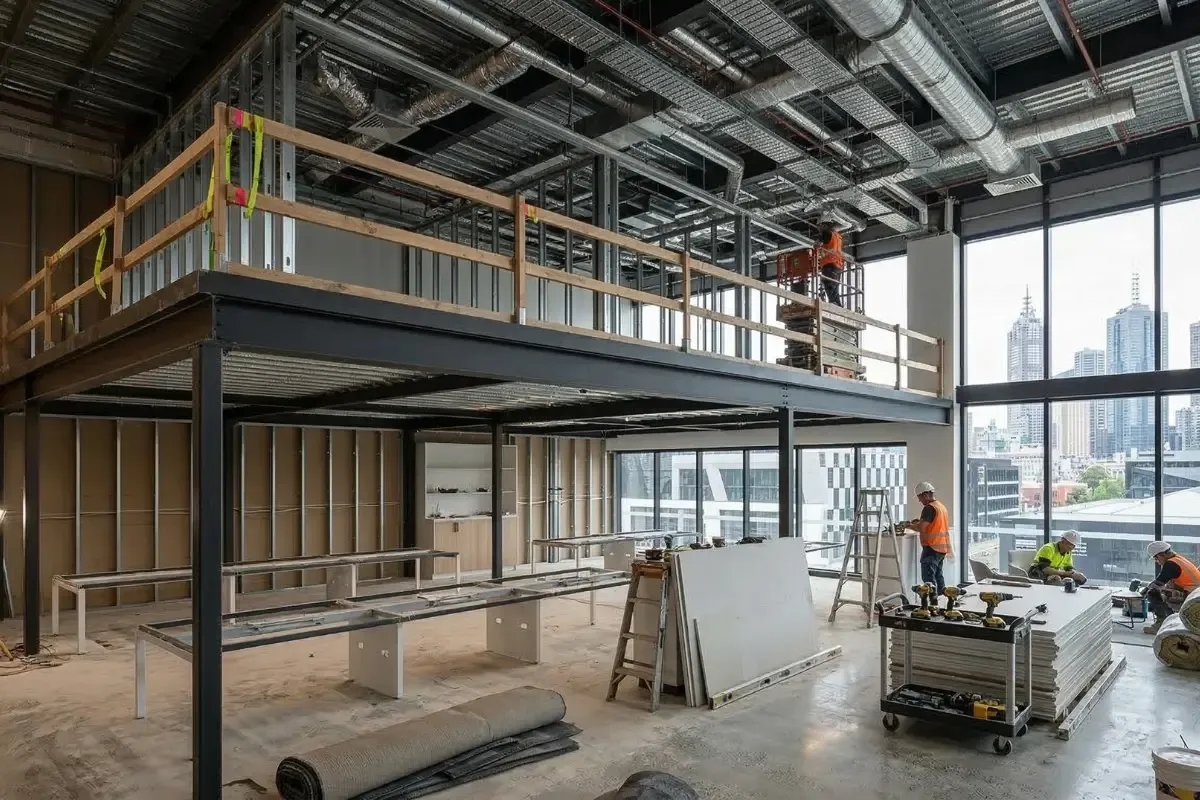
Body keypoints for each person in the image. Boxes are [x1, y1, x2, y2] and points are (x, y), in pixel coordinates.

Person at [902, 481, 951, 595]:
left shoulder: (929, 508)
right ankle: (942, 601)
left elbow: (922, 528)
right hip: (941, 548)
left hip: (932, 547)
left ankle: (933, 604)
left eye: (920, 497)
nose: (920, 501)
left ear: (925, 495)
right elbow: (933, 524)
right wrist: (918, 522)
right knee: (938, 576)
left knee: (928, 579)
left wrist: (908, 525)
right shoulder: (940, 506)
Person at [1141, 541, 1200, 634]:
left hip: (1192, 596)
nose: (1157, 562)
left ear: (1161, 555)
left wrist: (1143, 592)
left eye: (1156, 558)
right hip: (1195, 592)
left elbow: (1158, 583)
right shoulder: (1178, 559)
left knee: (1152, 593)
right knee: (1164, 590)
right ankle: (1170, 618)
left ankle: (1162, 623)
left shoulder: (1170, 564)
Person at [797, 223, 844, 307]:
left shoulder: (826, 233)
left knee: (828, 283)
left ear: (825, 226)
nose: (819, 228)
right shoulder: (837, 236)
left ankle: (834, 304)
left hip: (829, 264)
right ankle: (837, 304)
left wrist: (816, 247)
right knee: (834, 286)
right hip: (838, 265)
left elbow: (817, 245)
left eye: (820, 226)